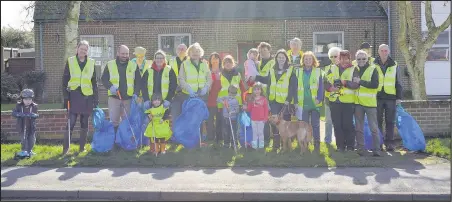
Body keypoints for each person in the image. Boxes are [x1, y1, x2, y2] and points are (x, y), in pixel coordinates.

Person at [254, 49, 297, 151]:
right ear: (276, 59)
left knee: (286, 125)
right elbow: (268, 83)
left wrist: (288, 99)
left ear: (286, 59)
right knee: (274, 124)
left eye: (283, 57)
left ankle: (285, 147)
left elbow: (293, 86)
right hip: (273, 101)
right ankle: (275, 146)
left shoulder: (291, 70)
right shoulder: (272, 69)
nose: (281, 59)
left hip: (285, 102)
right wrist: (256, 77)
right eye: (279, 57)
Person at [62, 40, 99, 155]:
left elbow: (94, 82)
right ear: (77, 49)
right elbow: (64, 80)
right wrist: (66, 97)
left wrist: (95, 99)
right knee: (71, 122)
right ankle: (65, 149)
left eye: (85, 49)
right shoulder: (70, 61)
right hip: (73, 95)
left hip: (87, 96)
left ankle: (82, 148)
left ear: (87, 51)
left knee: (84, 123)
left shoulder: (92, 62)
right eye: (81, 48)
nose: (83, 51)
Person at [101, 45, 141, 134]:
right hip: (114, 98)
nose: (125, 55)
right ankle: (115, 143)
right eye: (123, 53)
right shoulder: (110, 64)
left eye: (126, 53)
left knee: (126, 121)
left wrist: (136, 93)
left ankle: (125, 143)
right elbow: (104, 78)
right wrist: (110, 87)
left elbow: (138, 81)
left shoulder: (133, 65)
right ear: (118, 53)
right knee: (114, 121)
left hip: (128, 98)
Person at [325, 50, 360, 152]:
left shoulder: (354, 69)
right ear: (339, 59)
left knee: (348, 124)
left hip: (348, 102)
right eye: (342, 58)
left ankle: (350, 146)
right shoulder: (332, 68)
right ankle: (340, 146)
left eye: (346, 58)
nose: (344, 61)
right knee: (337, 125)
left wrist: (344, 83)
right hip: (334, 101)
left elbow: (356, 85)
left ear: (350, 59)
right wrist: (330, 88)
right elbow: (325, 81)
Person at [374, 44, 403, 151]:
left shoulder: (395, 64)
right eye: (382, 50)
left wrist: (399, 97)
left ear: (389, 51)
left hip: (391, 97)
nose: (384, 53)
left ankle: (390, 143)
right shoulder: (373, 64)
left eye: (386, 50)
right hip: (377, 97)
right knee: (378, 121)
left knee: (390, 121)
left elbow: (399, 82)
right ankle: (379, 142)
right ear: (378, 52)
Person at [294, 51, 324, 151]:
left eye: (309, 59)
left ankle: (317, 144)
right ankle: (304, 145)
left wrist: (319, 98)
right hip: (302, 103)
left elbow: (321, 87)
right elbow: (294, 87)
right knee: (303, 125)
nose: (307, 61)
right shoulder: (298, 71)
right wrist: (295, 101)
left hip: (314, 103)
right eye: (305, 59)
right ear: (303, 60)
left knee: (315, 124)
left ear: (313, 60)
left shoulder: (318, 71)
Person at [353, 50, 381, 156]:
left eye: (363, 58)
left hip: (370, 104)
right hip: (358, 103)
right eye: (359, 59)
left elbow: (375, 85)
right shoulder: (354, 69)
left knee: (373, 128)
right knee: (358, 127)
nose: (361, 61)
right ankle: (360, 148)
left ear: (367, 59)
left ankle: (377, 149)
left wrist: (360, 82)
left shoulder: (373, 69)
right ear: (356, 60)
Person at [175, 42, 212, 122]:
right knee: (190, 120)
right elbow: (181, 79)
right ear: (189, 53)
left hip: (202, 96)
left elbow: (209, 78)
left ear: (200, 53)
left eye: (197, 51)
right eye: (193, 51)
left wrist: (206, 88)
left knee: (201, 120)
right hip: (188, 96)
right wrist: (189, 89)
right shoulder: (184, 64)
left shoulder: (205, 64)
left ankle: (200, 135)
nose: (195, 53)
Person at [12, 89, 39, 158]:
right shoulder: (19, 106)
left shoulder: (34, 106)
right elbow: (14, 113)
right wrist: (20, 114)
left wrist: (34, 115)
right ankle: (24, 151)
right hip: (22, 126)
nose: (28, 101)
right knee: (24, 139)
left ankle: (29, 151)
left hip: (31, 126)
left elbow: (37, 114)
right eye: (26, 99)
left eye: (30, 99)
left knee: (32, 140)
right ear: (22, 99)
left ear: (32, 99)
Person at [323, 47, 341, 145]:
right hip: (329, 98)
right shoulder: (326, 69)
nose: (334, 58)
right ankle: (327, 141)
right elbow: (324, 82)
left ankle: (339, 141)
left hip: (342, 99)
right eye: (332, 56)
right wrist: (330, 88)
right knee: (328, 121)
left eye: (336, 56)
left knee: (339, 122)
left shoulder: (344, 68)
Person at [243, 82, 269, 149]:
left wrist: (265, 118)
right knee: (254, 133)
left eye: (258, 89)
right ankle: (254, 146)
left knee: (260, 133)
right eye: (255, 90)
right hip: (253, 119)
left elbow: (266, 110)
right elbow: (249, 109)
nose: (257, 91)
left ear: (261, 90)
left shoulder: (264, 99)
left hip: (261, 119)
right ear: (253, 91)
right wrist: (245, 107)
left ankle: (261, 146)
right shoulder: (252, 99)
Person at [206, 52, 223, 143]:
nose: (215, 60)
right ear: (210, 61)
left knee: (220, 120)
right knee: (210, 120)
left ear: (219, 60)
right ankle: (210, 138)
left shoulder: (222, 72)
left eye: (217, 58)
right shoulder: (207, 71)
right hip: (210, 99)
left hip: (220, 100)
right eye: (213, 58)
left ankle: (219, 138)